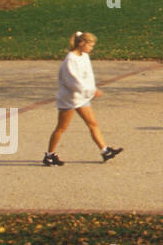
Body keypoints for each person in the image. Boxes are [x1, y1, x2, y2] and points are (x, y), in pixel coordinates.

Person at [43, 30, 123, 165]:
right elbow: (73, 82)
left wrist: (91, 90)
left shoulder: (84, 56)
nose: (91, 48)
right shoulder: (70, 60)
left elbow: (88, 75)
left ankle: (105, 150)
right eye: (90, 45)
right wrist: (91, 91)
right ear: (81, 43)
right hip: (69, 99)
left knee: (93, 124)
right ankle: (49, 155)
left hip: (82, 98)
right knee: (61, 128)